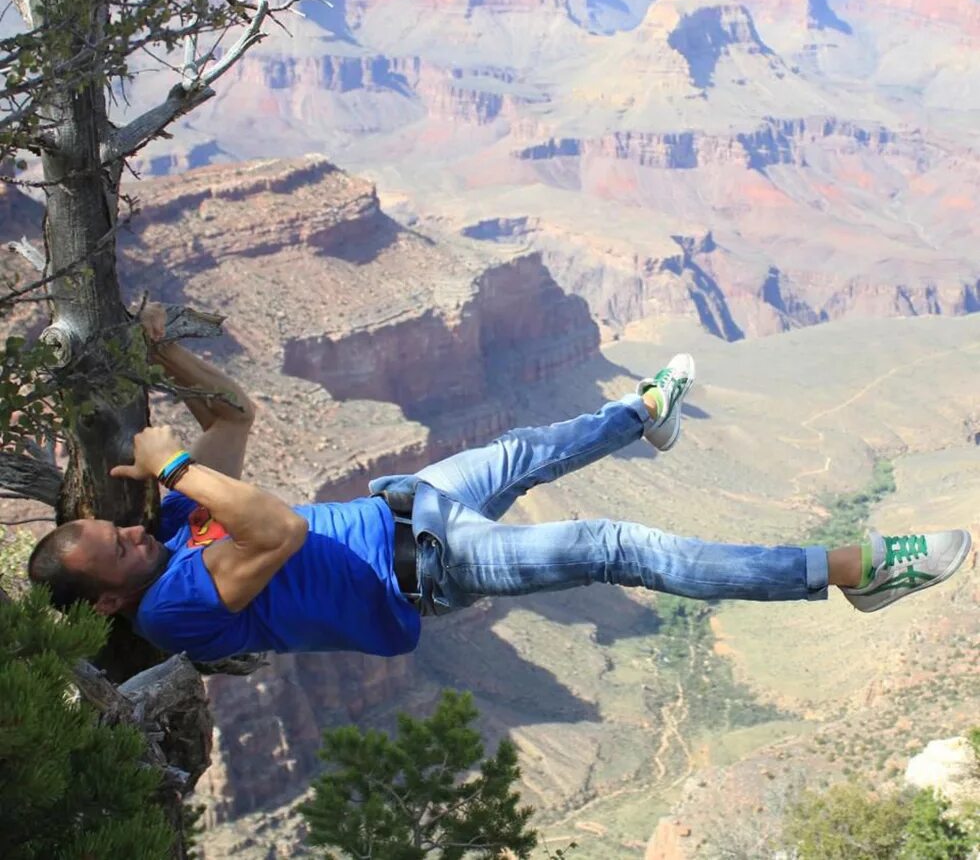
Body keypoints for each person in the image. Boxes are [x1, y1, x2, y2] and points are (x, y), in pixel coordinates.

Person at [28, 304, 972, 663]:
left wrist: (168, 359)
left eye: (126, 527)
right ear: (109, 598)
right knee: (615, 547)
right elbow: (273, 531)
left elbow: (235, 418)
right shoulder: (174, 608)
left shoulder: (180, 534)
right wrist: (171, 466)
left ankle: (645, 415)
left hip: (411, 502)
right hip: (429, 567)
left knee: (527, 446)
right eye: (122, 548)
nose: (139, 532)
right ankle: (853, 571)